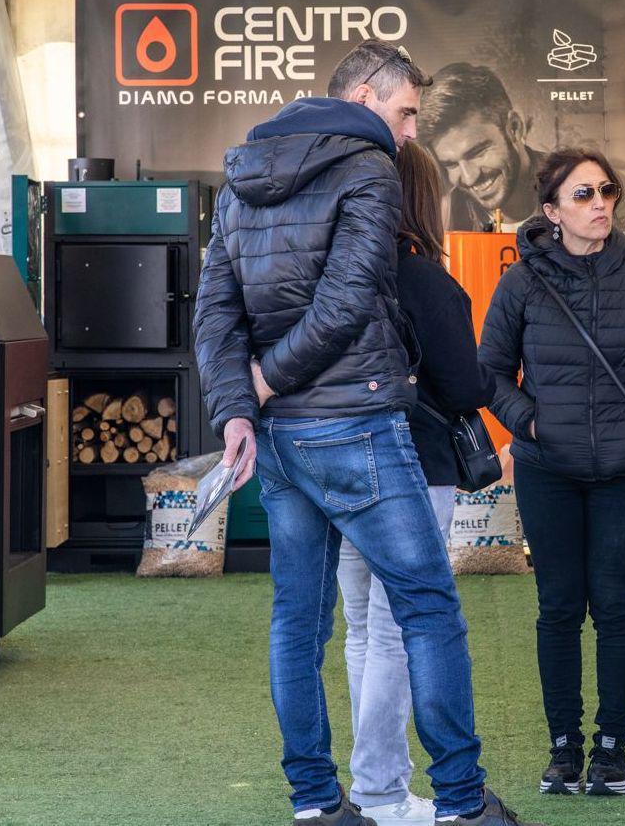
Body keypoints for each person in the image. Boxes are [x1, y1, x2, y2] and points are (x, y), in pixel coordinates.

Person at [194, 40, 537, 826]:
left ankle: (317, 805)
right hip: (356, 422)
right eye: (406, 110)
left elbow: (216, 310)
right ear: (363, 96)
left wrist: (241, 404)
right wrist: (261, 385)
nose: (412, 130)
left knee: (300, 623)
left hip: (279, 437)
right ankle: (458, 801)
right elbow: (349, 299)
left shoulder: (244, 172)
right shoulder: (369, 165)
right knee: (426, 609)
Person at [478, 149, 625, 799]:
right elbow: (489, 369)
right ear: (551, 211)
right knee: (558, 608)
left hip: (624, 469)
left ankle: (610, 747)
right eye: (582, 194)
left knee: (615, 605)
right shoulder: (522, 280)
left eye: (605, 190)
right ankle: (563, 747)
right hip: (547, 470)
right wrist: (532, 423)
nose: (599, 202)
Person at [335, 141, 496, 826]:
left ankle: (373, 783)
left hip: (337, 462)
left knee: (362, 629)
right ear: (423, 200)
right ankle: (378, 787)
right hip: (417, 465)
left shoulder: (339, 274)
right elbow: (464, 382)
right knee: (398, 629)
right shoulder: (426, 279)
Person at [418, 63, 625, 232]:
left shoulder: (601, 191)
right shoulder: (442, 215)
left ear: (515, 128)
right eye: (450, 164)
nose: (468, 178)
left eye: (477, 152)